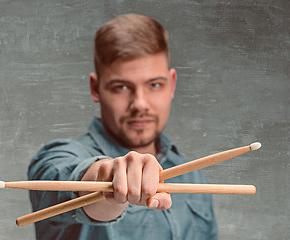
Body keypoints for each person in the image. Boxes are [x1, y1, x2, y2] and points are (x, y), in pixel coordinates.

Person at [28, 14, 218, 239]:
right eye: (121, 87)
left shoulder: (192, 174)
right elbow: (66, 179)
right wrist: (108, 180)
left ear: (172, 84)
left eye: (154, 85)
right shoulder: (55, 158)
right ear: (95, 88)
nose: (140, 104)